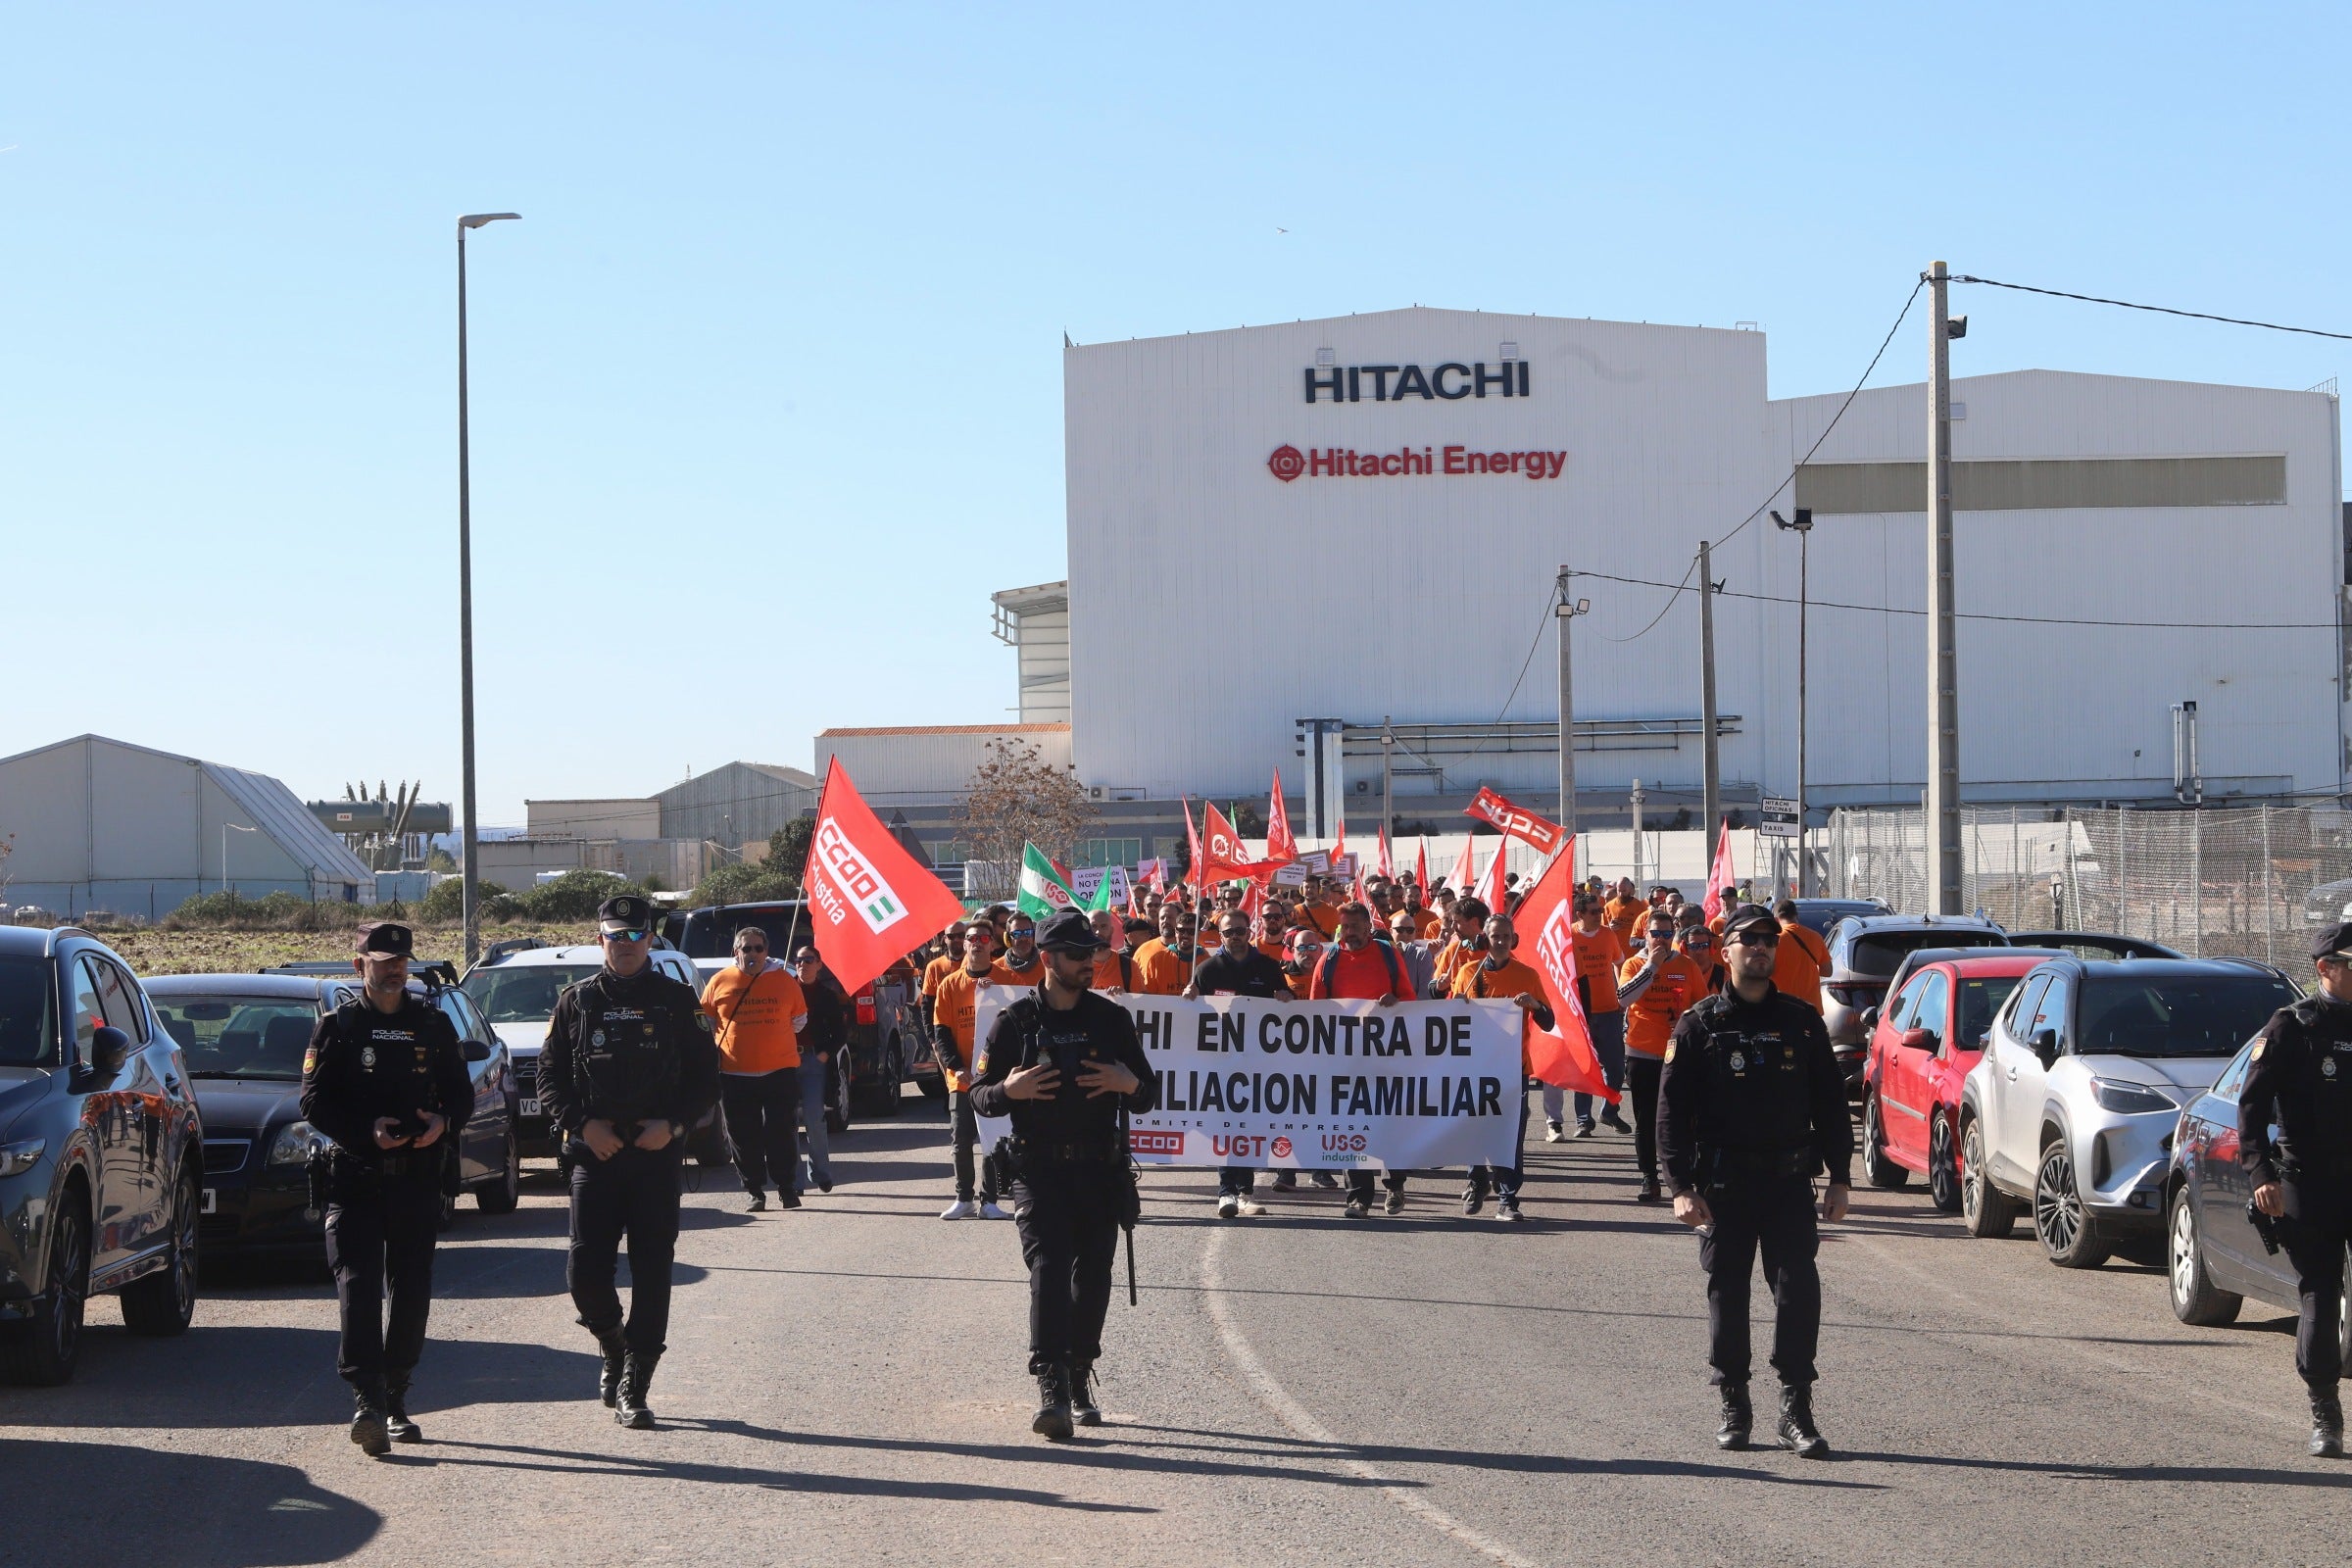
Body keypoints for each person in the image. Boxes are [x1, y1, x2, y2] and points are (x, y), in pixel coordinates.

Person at [1657, 905, 1851, 1457]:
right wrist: (1680, 1187)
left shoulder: (1801, 1020)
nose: (1761, 948)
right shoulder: (1699, 1025)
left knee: (1797, 1294)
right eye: (1749, 940)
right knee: (1728, 1294)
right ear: (1727, 952)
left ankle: (1796, 1408)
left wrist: (1840, 1177)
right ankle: (1735, 1404)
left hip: (1789, 1184)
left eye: (1768, 940)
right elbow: (1670, 1116)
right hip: (1722, 1189)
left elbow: (1832, 1105)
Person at [970, 909, 1158, 1439]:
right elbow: (978, 1095)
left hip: (1099, 1167)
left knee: (1094, 1278)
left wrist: (1127, 1083)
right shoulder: (1017, 1023)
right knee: (1049, 1269)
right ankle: (1050, 1382)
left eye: (1093, 953)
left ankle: (1079, 1373)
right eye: (1078, 955)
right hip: (1039, 1167)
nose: (1090, 963)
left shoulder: (1110, 1019)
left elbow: (1148, 1093)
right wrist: (1010, 1091)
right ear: (1049, 959)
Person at [539, 894, 720, 1429]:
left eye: (634, 936)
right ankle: (612, 1343)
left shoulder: (676, 999)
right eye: (615, 936)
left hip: (655, 1158)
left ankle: (635, 1383)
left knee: (652, 1270)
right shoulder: (575, 1002)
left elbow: (706, 1079)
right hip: (594, 1158)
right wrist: (580, 1124)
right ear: (600, 940)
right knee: (584, 1271)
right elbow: (550, 1078)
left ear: (650, 940)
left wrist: (675, 1127)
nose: (624, 945)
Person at [299, 920, 472, 1455]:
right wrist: (366, 1131)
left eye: (402, 962)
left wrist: (443, 1122)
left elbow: (460, 1096)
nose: (395, 970)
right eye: (382, 962)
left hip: (418, 1181)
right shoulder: (339, 1027)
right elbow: (313, 1100)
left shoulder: (432, 1024)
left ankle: (396, 1395)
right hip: (356, 1177)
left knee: (412, 1289)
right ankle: (366, 1398)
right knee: (357, 1287)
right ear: (360, 967)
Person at [2242, 920, 2352, 1456]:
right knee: (2321, 1291)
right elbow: (2251, 1107)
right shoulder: (2293, 1028)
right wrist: (2262, 1176)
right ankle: (2326, 1413)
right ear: (2325, 969)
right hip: (2310, 1184)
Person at [1309, 902, 1415, 1216]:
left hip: (1385, 1060)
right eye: (1344, 927)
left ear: (1368, 927)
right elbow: (1316, 1010)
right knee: (1349, 1126)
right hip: (1344, 1061)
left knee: (1388, 1124)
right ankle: (1358, 1198)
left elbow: (1409, 998)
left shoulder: (1387, 955)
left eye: (1355, 927)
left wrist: (1396, 1001)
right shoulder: (1328, 960)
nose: (1349, 933)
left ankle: (1394, 1184)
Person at [1188, 908, 1293, 1217]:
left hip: (1259, 1064)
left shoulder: (1269, 967)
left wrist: (1286, 999)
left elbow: (1288, 1011)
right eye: (1228, 932)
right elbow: (1189, 1016)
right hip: (1221, 1063)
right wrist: (1187, 998)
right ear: (1219, 935)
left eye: (1240, 931)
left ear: (1250, 931)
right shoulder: (1207, 970)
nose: (1234, 937)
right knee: (1226, 1125)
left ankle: (1245, 1191)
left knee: (1249, 1126)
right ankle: (1226, 1192)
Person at [701, 926, 808, 1213]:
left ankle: (787, 1189)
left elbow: (799, 1020)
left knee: (782, 1132)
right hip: (735, 1073)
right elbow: (707, 1024)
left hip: (780, 1071)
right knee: (742, 1135)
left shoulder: (785, 981)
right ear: (736, 952)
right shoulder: (719, 981)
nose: (752, 954)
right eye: (746, 948)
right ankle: (754, 1191)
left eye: (758, 948)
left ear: (766, 951)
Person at [1454, 914, 1554, 1221]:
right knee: (1474, 1127)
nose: (1500, 942)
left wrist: (1534, 1006)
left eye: (1506, 937)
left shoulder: (1527, 975)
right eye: (1495, 936)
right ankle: (1477, 1177)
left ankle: (1508, 1198)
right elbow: (1450, 1023)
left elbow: (1548, 1021)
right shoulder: (1469, 973)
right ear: (1485, 938)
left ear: (1513, 940)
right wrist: (1455, 1005)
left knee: (1510, 1135)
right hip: (1473, 1068)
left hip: (1513, 1069)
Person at [1616, 911, 1709, 1202]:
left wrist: (1686, 1025)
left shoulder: (1687, 965)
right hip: (1642, 1052)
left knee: (1682, 1117)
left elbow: (1702, 1005)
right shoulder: (1633, 964)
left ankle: (1685, 1177)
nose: (1662, 939)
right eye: (1656, 933)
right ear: (1646, 934)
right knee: (1646, 1120)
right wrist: (1652, 966)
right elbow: (1623, 998)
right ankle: (1649, 1177)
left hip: (1678, 1053)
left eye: (1668, 934)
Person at [931, 920, 1010, 1220]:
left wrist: (998, 995)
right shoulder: (949, 984)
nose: (977, 943)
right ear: (963, 944)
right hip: (962, 1078)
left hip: (995, 1078)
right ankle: (964, 1198)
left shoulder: (1006, 980)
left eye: (983, 938)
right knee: (960, 1139)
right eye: (971, 938)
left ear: (993, 944)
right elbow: (942, 1031)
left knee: (993, 1138)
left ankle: (990, 1200)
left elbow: (1018, 1025)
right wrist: (955, 1066)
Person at [1559, 896, 1632, 1141]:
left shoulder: (1608, 935)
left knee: (1615, 1069)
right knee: (1585, 1070)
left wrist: (1621, 993)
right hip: (1583, 1014)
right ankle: (1583, 1121)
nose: (1599, 915)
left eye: (1600, 910)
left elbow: (1619, 963)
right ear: (1580, 914)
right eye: (1593, 912)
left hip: (1610, 1011)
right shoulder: (1568, 936)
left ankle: (1609, 1111)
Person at [791, 947, 845, 1194]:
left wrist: (824, 1055)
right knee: (787, 1121)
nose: (803, 964)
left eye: (809, 960)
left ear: (819, 964)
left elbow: (841, 1033)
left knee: (814, 1118)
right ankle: (794, 1180)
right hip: (785, 1061)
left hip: (814, 1061)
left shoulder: (827, 996)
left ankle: (821, 1173)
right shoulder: (785, 990)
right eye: (799, 960)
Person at [1771, 900, 1829, 1012]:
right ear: (1796, 915)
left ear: (1776, 919)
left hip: (1782, 1006)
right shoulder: (1816, 937)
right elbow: (1827, 971)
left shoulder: (1773, 941)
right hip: (1811, 1008)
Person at [1138, 906, 1201, 996]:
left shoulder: (1206, 961)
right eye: (1181, 930)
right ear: (1176, 931)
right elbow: (1147, 996)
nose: (1185, 935)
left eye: (1191, 931)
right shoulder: (1156, 959)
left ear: (1199, 933)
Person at [1387, 907, 1440, 999]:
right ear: (1391, 931)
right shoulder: (1383, 953)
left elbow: (1425, 995)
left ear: (1415, 932)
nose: (1405, 934)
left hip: (1414, 1010)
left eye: (1410, 930)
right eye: (1400, 929)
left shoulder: (1422, 955)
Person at [997, 913, 1047, 984]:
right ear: (1008, 938)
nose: (1023, 938)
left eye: (1027, 932)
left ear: (1034, 935)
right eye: (1017, 934)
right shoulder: (996, 968)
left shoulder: (1047, 966)